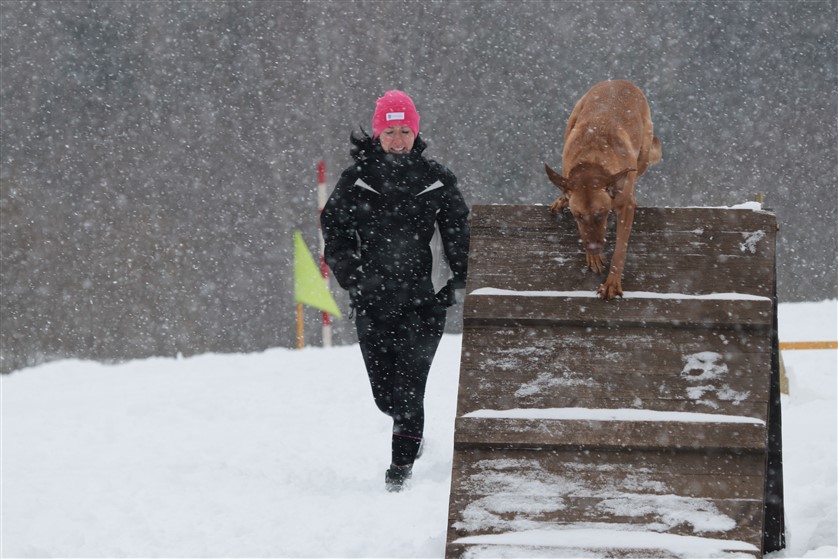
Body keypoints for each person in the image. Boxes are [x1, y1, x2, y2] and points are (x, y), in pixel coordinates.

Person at [320, 90, 470, 492]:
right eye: (390, 131)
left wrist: (459, 277)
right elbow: (334, 230)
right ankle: (410, 437)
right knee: (385, 397)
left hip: (424, 303)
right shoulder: (357, 179)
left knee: (408, 391)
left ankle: (399, 471)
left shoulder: (435, 178)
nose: (398, 139)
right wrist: (353, 277)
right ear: (377, 134)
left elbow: (458, 232)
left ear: (416, 132)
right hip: (373, 303)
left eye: (405, 130)